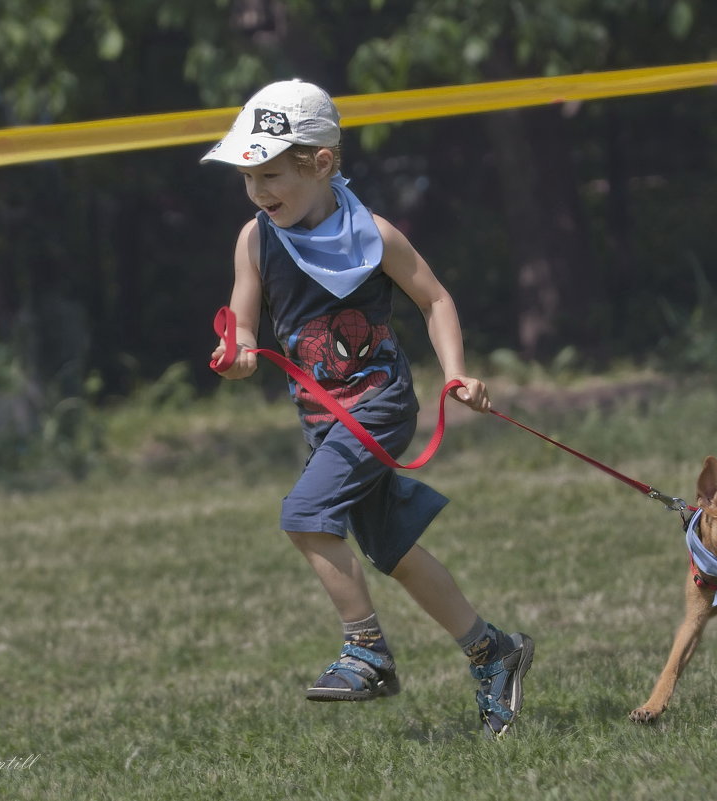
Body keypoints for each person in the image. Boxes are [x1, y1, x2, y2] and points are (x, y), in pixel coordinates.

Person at [203, 79, 533, 738]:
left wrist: (458, 373)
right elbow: (240, 324)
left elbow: (434, 300)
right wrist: (235, 352)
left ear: (320, 163)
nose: (259, 191)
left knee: (303, 514)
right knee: (395, 549)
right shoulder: (255, 240)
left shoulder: (373, 234)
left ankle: (367, 650)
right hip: (322, 419)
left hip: (379, 403)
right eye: (248, 177)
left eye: (271, 174)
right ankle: (493, 650)